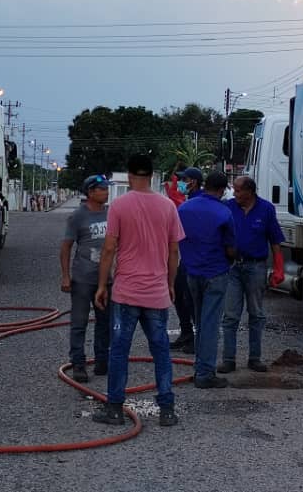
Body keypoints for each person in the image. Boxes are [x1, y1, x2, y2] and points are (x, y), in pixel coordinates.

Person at [93, 153, 185, 428]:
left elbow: (109, 248)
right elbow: (174, 251)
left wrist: (102, 285)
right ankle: (167, 410)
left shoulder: (119, 206)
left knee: (119, 351)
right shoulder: (168, 206)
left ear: (130, 175)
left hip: (126, 292)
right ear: (152, 176)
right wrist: (170, 283)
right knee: (161, 351)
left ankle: (115, 409)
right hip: (156, 292)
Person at [219, 175, 285, 374]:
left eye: (238, 190)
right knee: (230, 315)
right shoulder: (228, 207)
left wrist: (279, 268)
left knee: (256, 313)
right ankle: (228, 360)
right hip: (233, 267)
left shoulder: (266, 209)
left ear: (250, 191)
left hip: (256, 267)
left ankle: (254, 358)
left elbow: (275, 240)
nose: (235, 194)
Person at [177, 169, 235, 388]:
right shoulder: (223, 212)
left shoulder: (184, 208)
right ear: (221, 189)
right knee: (210, 324)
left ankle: (200, 366)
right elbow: (230, 248)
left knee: (200, 321)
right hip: (215, 272)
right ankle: (205, 374)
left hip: (192, 272)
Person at [60, 174, 112, 383]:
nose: (106, 192)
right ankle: (78, 364)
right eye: (102, 189)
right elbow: (66, 247)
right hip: (83, 278)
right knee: (79, 323)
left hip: (106, 280)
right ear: (90, 192)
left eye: (107, 188)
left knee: (105, 322)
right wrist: (66, 276)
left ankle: (102, 360)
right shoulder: (78, 216)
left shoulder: (111, 214)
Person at [167, 166, 202, 355]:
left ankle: (198, 339)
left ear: (193, 182)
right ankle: (186, 333)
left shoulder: (198, 202)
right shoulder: (186, 201)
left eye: (184, 180)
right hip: (185, 258)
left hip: (196, 259)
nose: (180, 183)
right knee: (178, 294)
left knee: (191, 299)